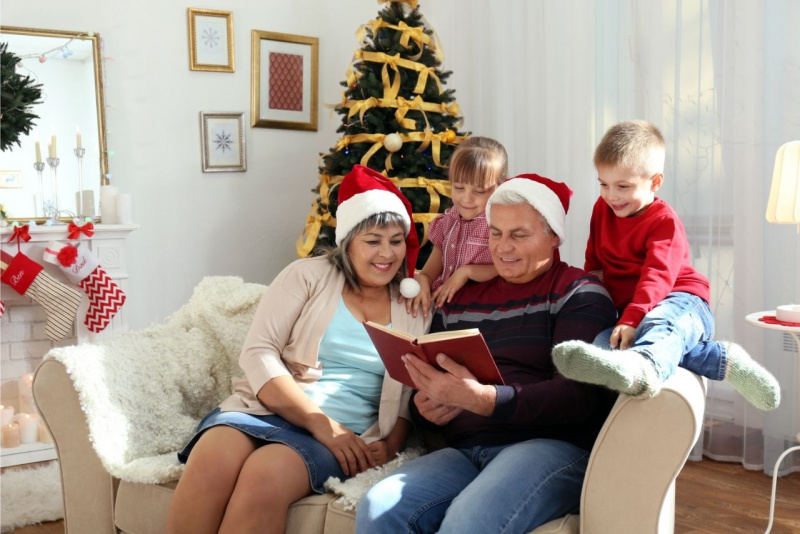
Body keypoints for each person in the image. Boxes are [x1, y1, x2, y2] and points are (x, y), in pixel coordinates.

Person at [166, 165, 430, 534]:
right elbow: (258, 352)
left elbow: (408, 392)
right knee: (211, 459)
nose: (387, 253)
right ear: (348, 241)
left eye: (396, 240)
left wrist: (391, 444)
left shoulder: (413, 305)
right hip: (266, 409)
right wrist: (319, 423)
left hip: (348, 432)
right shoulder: (307, 275)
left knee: (266, 475)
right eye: (373, 241)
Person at [356, 174, 619, 533]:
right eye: (496, 233)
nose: (503, 247)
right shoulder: (457, 300)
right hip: (466, 449)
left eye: (519, 235)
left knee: (470, 521)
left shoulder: (579, 293)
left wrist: (486, 400)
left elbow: (580, 398)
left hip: (548, 447)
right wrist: (426, 407)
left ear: (554, 236)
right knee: (378, 507)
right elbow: (430, 384)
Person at [552, 120, 780, 410]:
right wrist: (593, 305)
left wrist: (632, 318)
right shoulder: (602, 209)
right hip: (637, 310)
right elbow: (594, 263)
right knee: (605, 342)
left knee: (660, 324)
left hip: (681, 299)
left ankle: (643, 369)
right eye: (604, 184)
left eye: (623, 186)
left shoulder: (663, 221)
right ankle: (724, 360)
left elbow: (656, 278)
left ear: (655, 182)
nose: (612, 195)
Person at [406, 136, 508, 317]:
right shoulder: (447, 223)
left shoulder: (499, 224)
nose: (466, 198)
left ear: (500, 186)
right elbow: (429, 274)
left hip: (484, 313)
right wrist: (422, 281)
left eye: (479, 191)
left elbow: (507, 268)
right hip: (443, 313)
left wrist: (466, 272)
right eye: (459, 187)